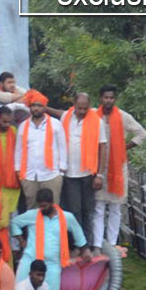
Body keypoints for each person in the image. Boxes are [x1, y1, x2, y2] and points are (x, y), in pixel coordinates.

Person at [94, 86, 146, 249]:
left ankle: (111, 243)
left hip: (118, 167)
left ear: (114, 99)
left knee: (116, 207)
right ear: (101, 99)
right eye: (105, 98)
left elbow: (142, 134)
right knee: (98, 207)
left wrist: (125, 147)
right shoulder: (93, 116)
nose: (108, 100)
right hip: (97, 166)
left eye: (111, 98)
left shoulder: (123, 117)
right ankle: (97, 243)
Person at [12, 187, 88, 290]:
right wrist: (21, 240)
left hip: (52, 264)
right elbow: (14, 223)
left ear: (52, 203)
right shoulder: (32, 215)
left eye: (45, 206)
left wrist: (84, 250)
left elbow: (78, 234)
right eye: (40, 206)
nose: (42, 209)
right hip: (30, 260)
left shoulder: (67, 217)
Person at [59, 93, 108, 250]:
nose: (82, 111)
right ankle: (77, 245)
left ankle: (87, 245)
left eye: (85, 108)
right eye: (79, 108)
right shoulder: (66, 117)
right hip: (68, 173)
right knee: (74, 210)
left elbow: (103, 148)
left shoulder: (97, 121)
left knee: (88, 210)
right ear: (74, 104)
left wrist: (100, 175)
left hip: (88, 173)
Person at [15, 92, 66, 206]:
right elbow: (18, 150)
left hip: (51, 174)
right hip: (29, 174)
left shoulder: (55, 124)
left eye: (39, 105)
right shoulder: (23, 126)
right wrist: (18, 170)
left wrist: (62, 169)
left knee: (53, 207)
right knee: (32, 207)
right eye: (33, 105)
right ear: (30, 107)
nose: (36, 108)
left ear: (44, 107)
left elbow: (62, 146)